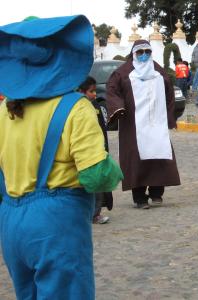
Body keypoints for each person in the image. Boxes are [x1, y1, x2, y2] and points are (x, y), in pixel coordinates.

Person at [0, 15, 123, 300]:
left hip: (11, 222)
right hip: (55, 225)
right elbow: (96, 175)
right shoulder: (76, 108)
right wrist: (116, 171)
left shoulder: (5, 112)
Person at [107, 40, 180, 209]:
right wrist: (118, 108)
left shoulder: (158, 71)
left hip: (156, 123)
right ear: (133, 53)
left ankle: (156, 193)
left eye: (147, 51)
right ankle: (139, 197)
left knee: (158, 156)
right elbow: (112, 91)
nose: (144, 55)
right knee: (136, 159)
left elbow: (170, 94)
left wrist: (170, 115)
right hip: (133, 124)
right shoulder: (123, 73)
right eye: (140, 52)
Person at [78, 76, 113, 224]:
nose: (94, 94)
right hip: (85, 153)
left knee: (98, 185)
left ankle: (95, 213)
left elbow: (102, 130)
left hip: (98, 151)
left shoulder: (95, 105)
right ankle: (89, 214)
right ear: (81, 91)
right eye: (91, 91)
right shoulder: (77, 109)